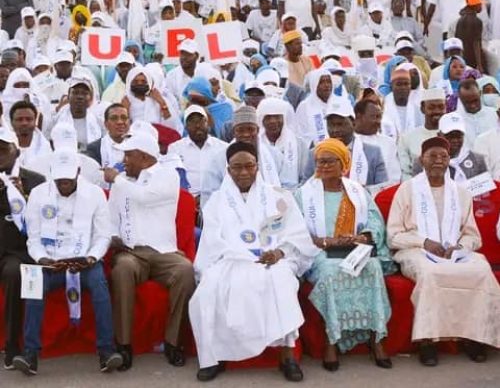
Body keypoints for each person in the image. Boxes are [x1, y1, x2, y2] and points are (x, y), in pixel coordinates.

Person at [189, 141, 317, 382]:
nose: (244, 172)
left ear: (258, 167)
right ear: (228, 170)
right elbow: (211, 242)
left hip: (273, 259)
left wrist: (279, 253)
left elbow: (296, 235)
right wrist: (240, 255)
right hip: (231, 260)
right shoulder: (217, 201)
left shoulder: (279, 197)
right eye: (237, 167)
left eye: (249, 166)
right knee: (209, 289)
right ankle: (214, 358)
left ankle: (288, 357)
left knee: (281, 282)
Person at [387, 136, 500, 366]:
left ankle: (475, 337)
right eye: (433, 156)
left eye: (443, 156)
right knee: (430, 273)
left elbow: (472, 236)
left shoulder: (460, 192)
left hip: (453, 252)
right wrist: (425, 242)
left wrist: (460, 247)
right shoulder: (407, 190)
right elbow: (394, 236)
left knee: (481, 271)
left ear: (449, 160)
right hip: (415, 250)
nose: (438, 160)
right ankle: (428, 340)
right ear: (422, 159)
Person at [14, 148, 122, 375]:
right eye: (59, 179)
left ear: (78, 172)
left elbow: (103, 236)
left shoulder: (95, 194)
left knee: (100, 286)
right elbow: (33, 239)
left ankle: (106, 351)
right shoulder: (38, 194)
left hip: (84, 261)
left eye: (68, 179)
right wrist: (42, 259)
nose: (64, 184)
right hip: (50, 263)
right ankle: (30, 353)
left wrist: (91, 257)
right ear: (52, 173)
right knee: (33, 284)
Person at [297, 138, 393, 371]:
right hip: (320, 253)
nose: (324, 166)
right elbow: (295, 230)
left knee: (373, 268)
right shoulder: (303, 194)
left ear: (344, 164)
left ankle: (376, 337)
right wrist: (323, 241)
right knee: (331, 272)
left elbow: (374, 221)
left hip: (354, 250)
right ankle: (332, 339)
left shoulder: (357, 191)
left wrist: (363, 237)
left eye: (331, 161)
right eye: (320, 161)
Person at [105, 131, 195, 371]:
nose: (124, 161)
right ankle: (123, 345)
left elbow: (144, 197)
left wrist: (118, 180)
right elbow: (112, 216)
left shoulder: (168, 176)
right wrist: (113, 236)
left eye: (128, 155)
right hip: (132, 252)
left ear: (144, 157)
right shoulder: (122, 181)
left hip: (165, 252)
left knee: (186, 271)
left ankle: (173, 342)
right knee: (122, 269)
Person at [0, 127, 45, 369]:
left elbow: (47, 219)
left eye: (3, 149)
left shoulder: (35, 180)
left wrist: (24, 198)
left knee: (18, 272)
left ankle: (15, 346)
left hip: (19, 251)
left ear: (16, 151)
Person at [168, 105, 228, 206]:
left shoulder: (223, 147)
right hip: (186, 201)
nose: (197, 125)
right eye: (192, 122)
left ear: (207, 123)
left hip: (216, 200)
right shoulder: (175, 148)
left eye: (201, 121)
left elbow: (226, 178)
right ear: (186, 126)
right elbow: (173, 178)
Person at [326, 98, 387, 188]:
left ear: (353, 123)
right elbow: (306, 187)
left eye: (340, 124)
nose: (335, 130)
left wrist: (357, 192)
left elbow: (382, 188)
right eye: (331, 125)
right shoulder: (316, 154)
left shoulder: (373, 153)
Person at [257, 97, 311, 190]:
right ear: (262, 120)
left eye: (277, 117)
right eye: (268, 117)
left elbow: (305, 176)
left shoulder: (299, 144)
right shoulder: (256, 144)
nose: (273, 121)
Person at [398, 88, 446, 180]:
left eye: (441, 107)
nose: (437, 111)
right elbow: (405, 173)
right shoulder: (407, 138)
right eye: (431, 107)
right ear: (422, 108)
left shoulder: (453, 136)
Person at [354, 99, 401, 184]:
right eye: (373, 117)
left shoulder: (388, 143)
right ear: (359, 117)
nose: (378, 121)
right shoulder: (349, 141)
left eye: (379, 117)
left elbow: (394, 177)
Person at [52, 78, 102, 152]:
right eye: (75, 93)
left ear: (91, 98)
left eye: (84, 93)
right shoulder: (55, 120)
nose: (80, 97)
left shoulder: (98, 121)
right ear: (68, 96)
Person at [437, 112, 488, 183]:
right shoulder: (426, 162)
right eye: (450, 136)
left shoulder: (477, 160)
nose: (455, 140)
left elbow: (486, 191)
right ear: (439, 135)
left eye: (459, 135)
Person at [296, 68, 337, 145]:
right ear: (314, 85)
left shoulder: (339, 103)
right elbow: (300, 134)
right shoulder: (305, 106)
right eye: (321, 82)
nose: (326, 85)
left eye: (329, 82)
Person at [456, 76, 497, 148]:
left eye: (475, 100)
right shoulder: (455, 119)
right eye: (467, 102)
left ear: (480, 93)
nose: (473, 106)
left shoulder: (494, 114)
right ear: (460, 98)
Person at [85, 104, 129, 170]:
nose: (120, 122)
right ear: (106, 124)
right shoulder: (94, 148)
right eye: (114, 118)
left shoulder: (137, 147)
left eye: (124, 118)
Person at [9, 101, 51, 167]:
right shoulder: (3, 146)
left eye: (29, 119)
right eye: (19, 119)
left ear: (35, 121)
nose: (24, 123)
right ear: (11, 122)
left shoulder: (46, 148)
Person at [455, 0, 485, 71]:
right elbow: (476, 43)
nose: (481, 6)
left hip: (462, 57)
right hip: (472, 60)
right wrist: (479, 65)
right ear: (475, 6)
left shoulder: (460, 20)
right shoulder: (477, 21)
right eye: (480, 4)